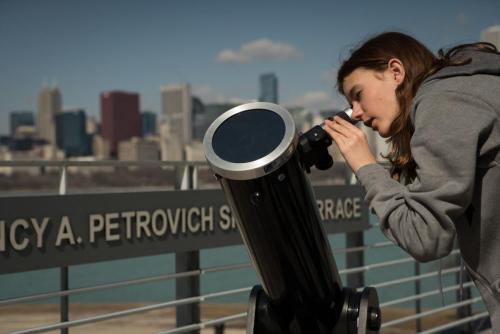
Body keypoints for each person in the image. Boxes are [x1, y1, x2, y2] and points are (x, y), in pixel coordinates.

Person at [323, 31, 500, 331]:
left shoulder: (444, 99)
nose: (356, 114)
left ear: (395, 72)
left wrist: (365, 165)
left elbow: (425, 237)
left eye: (357, 94)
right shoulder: (475, 86)